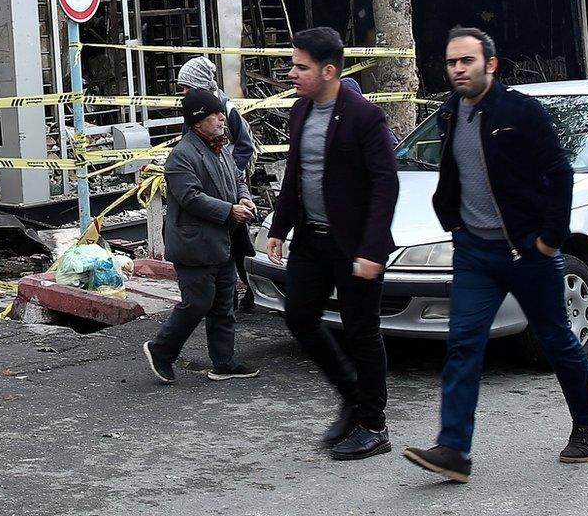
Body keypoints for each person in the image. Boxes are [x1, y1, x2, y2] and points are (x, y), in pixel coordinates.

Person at [405, 28, 588, 484]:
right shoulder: (449, 113)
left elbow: (559, 173)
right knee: (462, 345)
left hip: (527, 252)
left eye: (467, 61)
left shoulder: (521, 111)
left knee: (555, 337)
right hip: (475, 250)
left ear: (490, 65)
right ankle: (454, 449)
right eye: (452, 61)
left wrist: (550, 239)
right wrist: (454, 224)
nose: (458, 69)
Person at [266, 27, 400, 461]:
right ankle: (351, 396)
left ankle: (374, 425)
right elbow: (295, 173)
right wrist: (278, 227)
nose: (292, 73)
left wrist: (373, 250)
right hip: (312, 238)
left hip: (355, 244)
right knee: (300, 316)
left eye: (300, 67)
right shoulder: (300, 111)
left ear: (328, 70)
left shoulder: (364, 116)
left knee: (363, 332)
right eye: (293, 64)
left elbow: (386, 184)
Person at [141, 88, 258, 385]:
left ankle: (224, 363)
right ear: (197, 121)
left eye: (221, 112)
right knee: (198, 302)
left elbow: (238, 179)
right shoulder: (182, 155)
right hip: (194, 245)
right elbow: (190, 197)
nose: (222, 118)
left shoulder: (220, 148)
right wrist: (229, 211)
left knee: (223, 304)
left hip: (223, 242)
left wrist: (243, 199)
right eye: (214, 114)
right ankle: (161, 351)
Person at [176, 56, 257, 309]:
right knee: (225, 241)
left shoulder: (223, 109)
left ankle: (250, 291)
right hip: (211, 186)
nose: (183, 92)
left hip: (228, 187)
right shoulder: (196, 110)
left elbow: (246, 145)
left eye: (187, 87)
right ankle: (228, 299)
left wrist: (231, 175)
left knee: (237, 243)